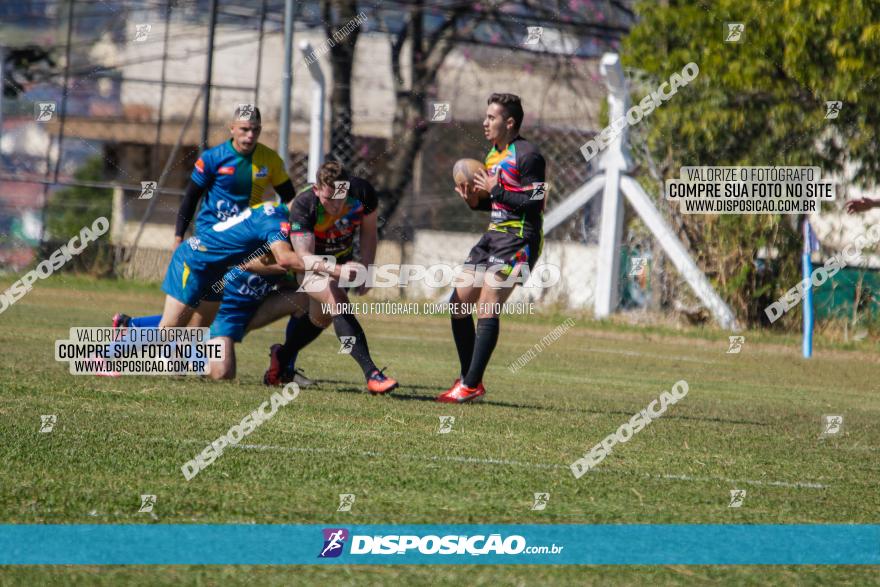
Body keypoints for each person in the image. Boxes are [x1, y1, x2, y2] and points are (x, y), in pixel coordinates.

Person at [437, 93, 547, 403]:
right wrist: (474, 200)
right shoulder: (491, 156)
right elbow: (494, 203)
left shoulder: (528, 155)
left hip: (520, 239)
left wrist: (495, 189)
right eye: (485, 117)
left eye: (491, 118)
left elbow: (534, 202)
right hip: (492, 237)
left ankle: (470, 385)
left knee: (488, 303)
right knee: (459, 303)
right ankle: (468, 378)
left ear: (509, 122)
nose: (485, 123)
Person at [263, 161, 398, 394]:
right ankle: (373, 375)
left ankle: (281, 356)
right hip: (310, 267)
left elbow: (369, 233)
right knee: (337, 301)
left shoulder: (363, 193)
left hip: (341, 264)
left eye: (340, 197)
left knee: (321, 319)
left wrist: (367, 269)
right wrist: (338, 271)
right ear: (317, 190)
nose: (335, 205)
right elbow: (303, 257)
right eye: (329, 199)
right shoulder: (305, 204)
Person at [170, 105, 296, 326]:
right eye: (244, 129)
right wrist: (178, 236)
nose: (250, 135)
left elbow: (290, 200)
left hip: (243, 242)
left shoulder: (270, 159)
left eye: (255, 130)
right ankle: (132, 332)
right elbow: (190, 198)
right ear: (232, 128)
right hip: (211, 239)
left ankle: (136, 331)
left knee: (206, 314)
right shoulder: (212, 158)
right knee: (189, 313)